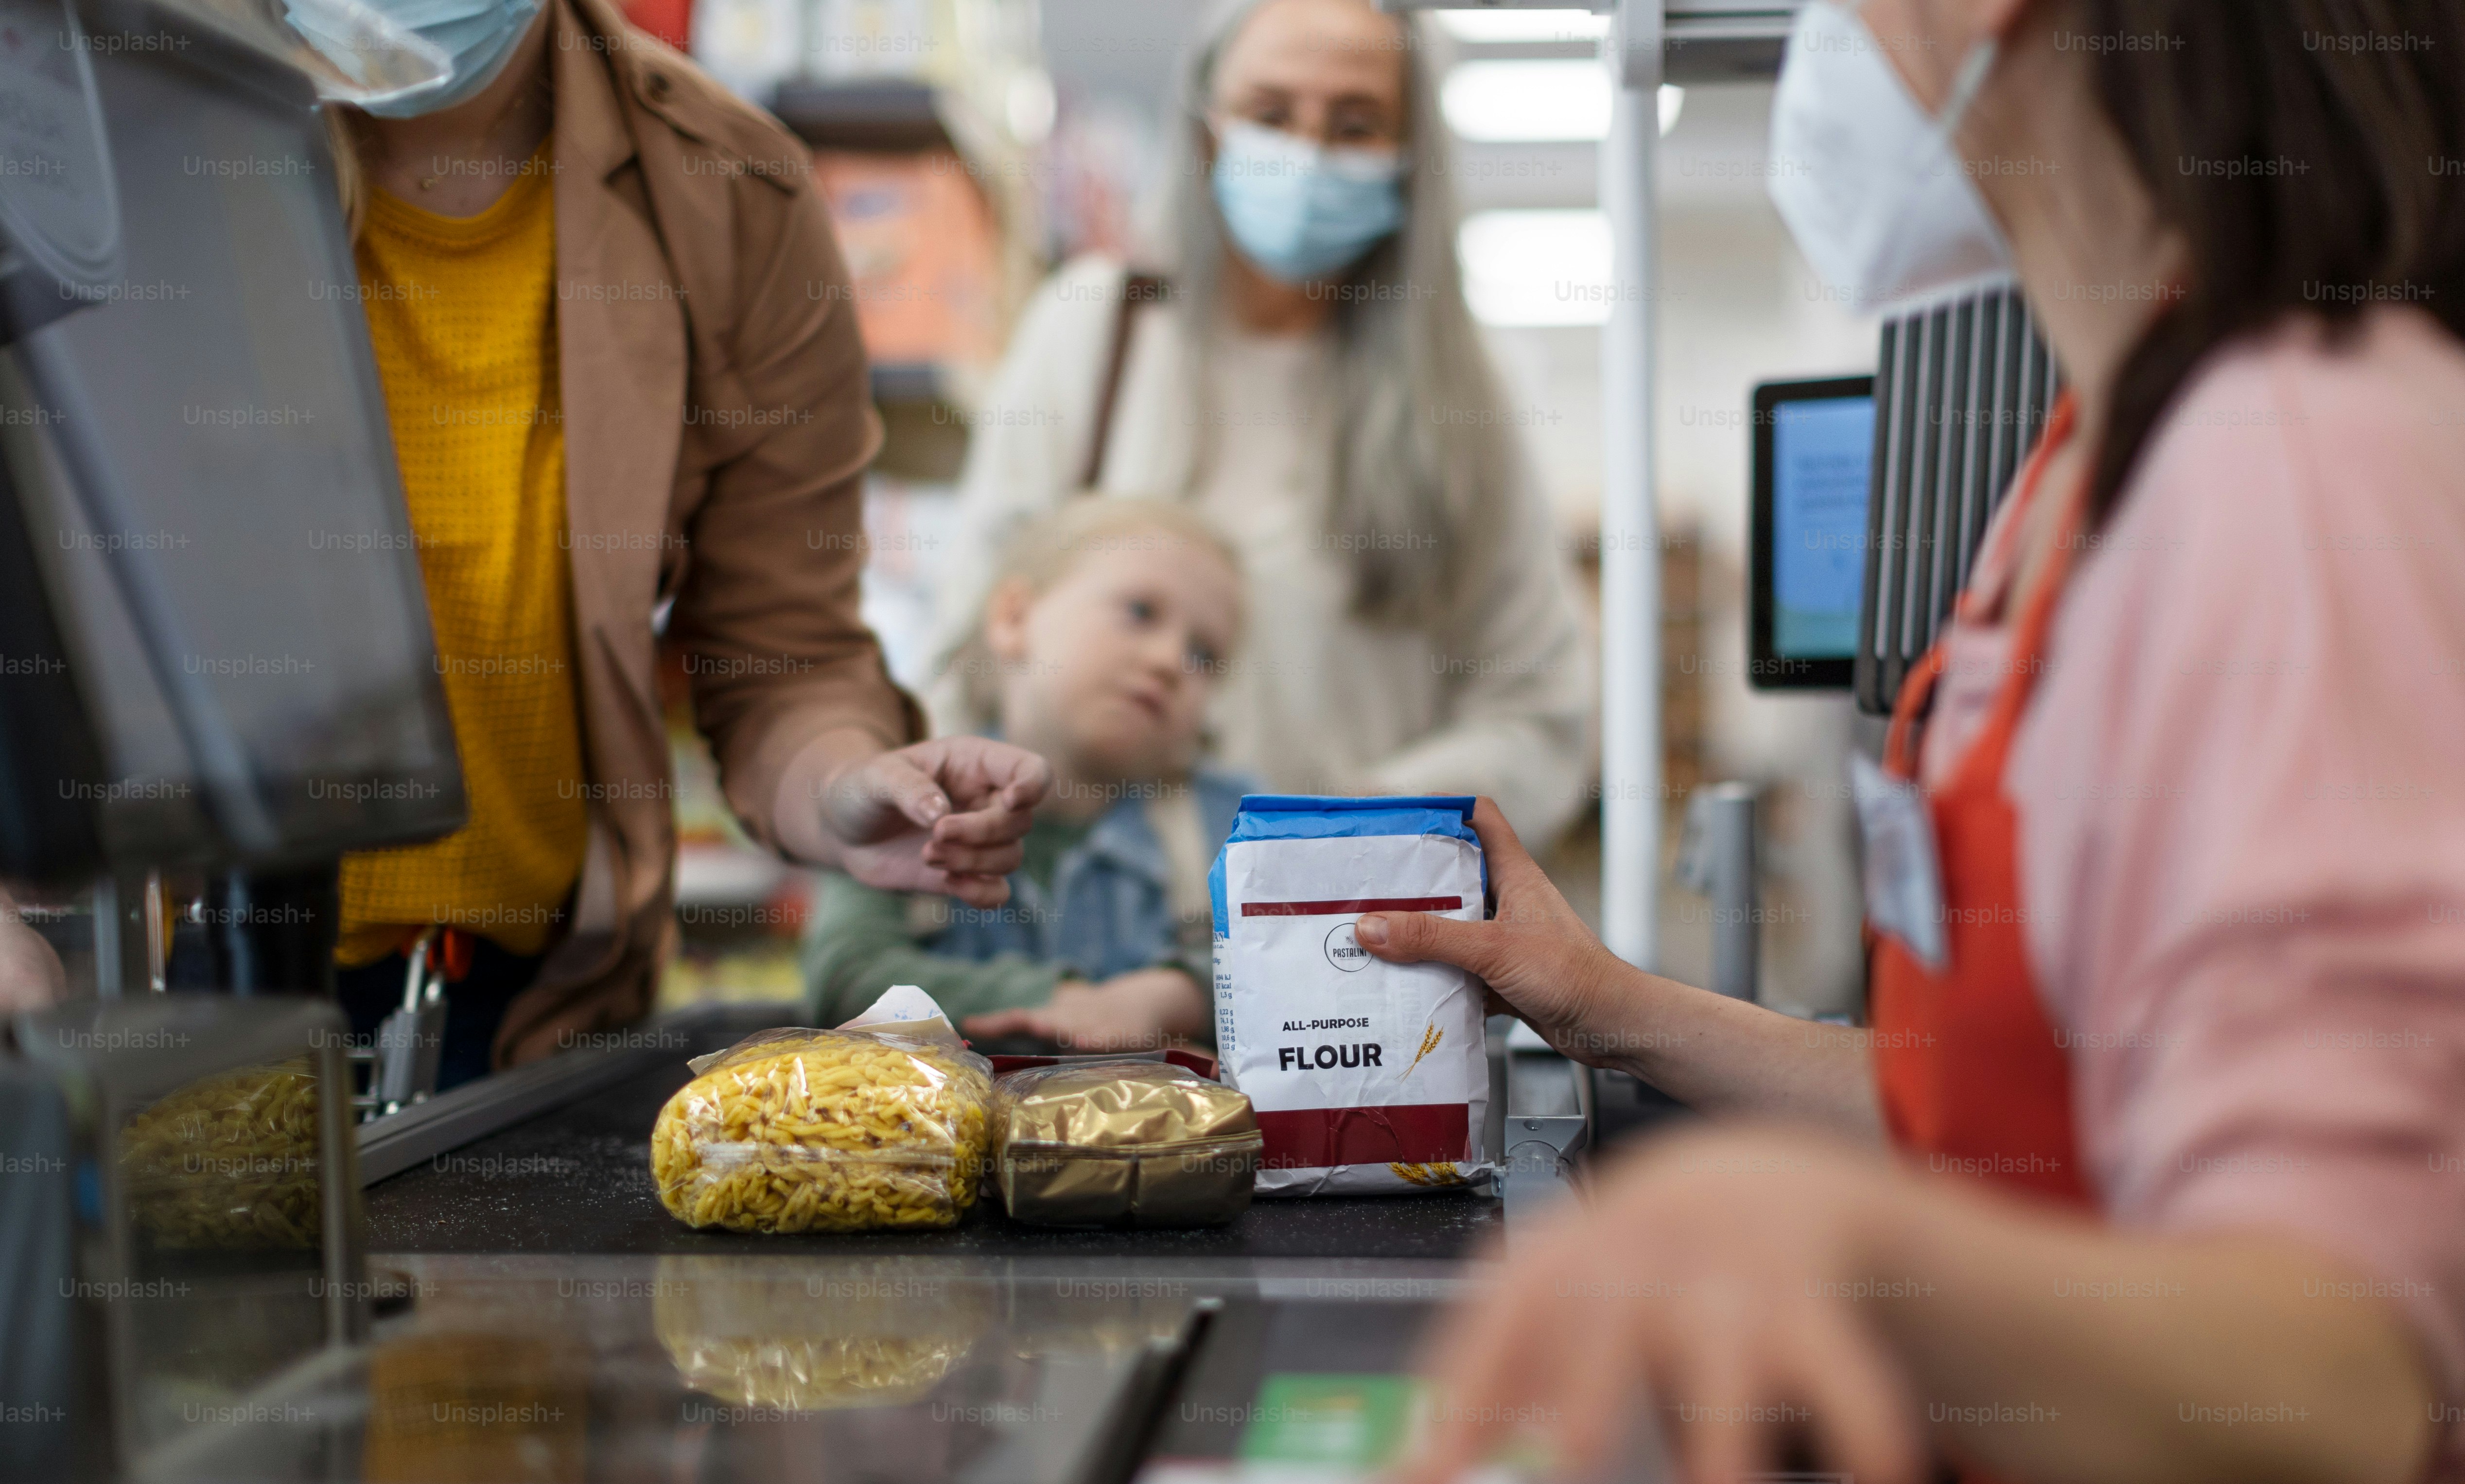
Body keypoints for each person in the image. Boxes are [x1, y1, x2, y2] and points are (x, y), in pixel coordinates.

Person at [1363, 0, 2465, 1484]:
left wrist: (1832, 1234)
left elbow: (2331, 1379)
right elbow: (2017, 1134)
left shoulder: (2296, 466)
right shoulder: (2082, 462)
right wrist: (1605, 1003)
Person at [297, 0, 1046, 1086]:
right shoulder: (105, 118)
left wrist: (845, 782)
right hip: (136, 990)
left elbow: (783, 653)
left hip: (510, 1019)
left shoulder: (731, 194)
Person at [934, 0, 1591, 852]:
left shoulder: (1473, 392)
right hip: (1081, 929)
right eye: (1269, 114)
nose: (1307, 152)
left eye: (1355, 124)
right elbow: (966, 646)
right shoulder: (1092, 332)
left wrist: (1354, 821)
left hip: (1352, 935)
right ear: (1206, 128)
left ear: (1407, 159)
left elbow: (1539, 715)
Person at [803, 496, 1252, 1054]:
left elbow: (1292, 967)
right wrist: (1057, 1002)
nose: (1169, 660)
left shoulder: (1237, 826)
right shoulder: (904, 792)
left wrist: (1178, 994)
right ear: (1013, 617)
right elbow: (847, 979)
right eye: (1140, 612)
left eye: (1203, 654)